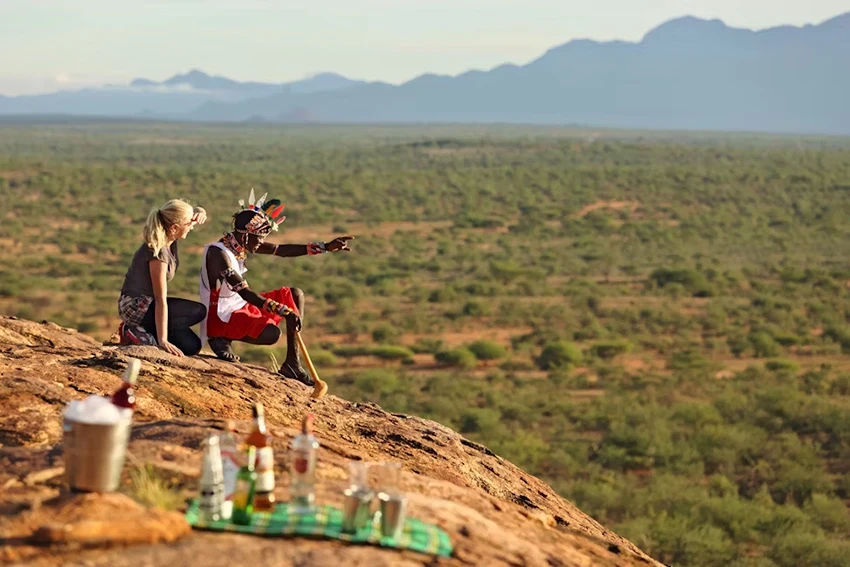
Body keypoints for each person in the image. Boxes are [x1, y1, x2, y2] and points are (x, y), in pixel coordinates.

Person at [199, 189, 352, 386]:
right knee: (271, 334)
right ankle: (221, 337)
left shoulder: (241, 244)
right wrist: (284, 311)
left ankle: (292, 363)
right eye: (259, 238)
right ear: (245, 235)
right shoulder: (218, 254)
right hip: (221, 315)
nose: (261, 243)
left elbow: (281, 250)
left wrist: (324, 247)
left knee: (295, 294)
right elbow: (245, 293)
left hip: (238, 305)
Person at [117, 198, 208, 357]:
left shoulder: (169, 238)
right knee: (197, 311)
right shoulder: (159, 254)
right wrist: (163, 340)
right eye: (189, 224)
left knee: (192, 346)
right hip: (135, 306)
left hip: (147, 304)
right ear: (174, 228)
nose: (191, 227)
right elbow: (160, 300)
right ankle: (132, 329)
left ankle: (146, 333)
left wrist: (200, 212)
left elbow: (187, 214)